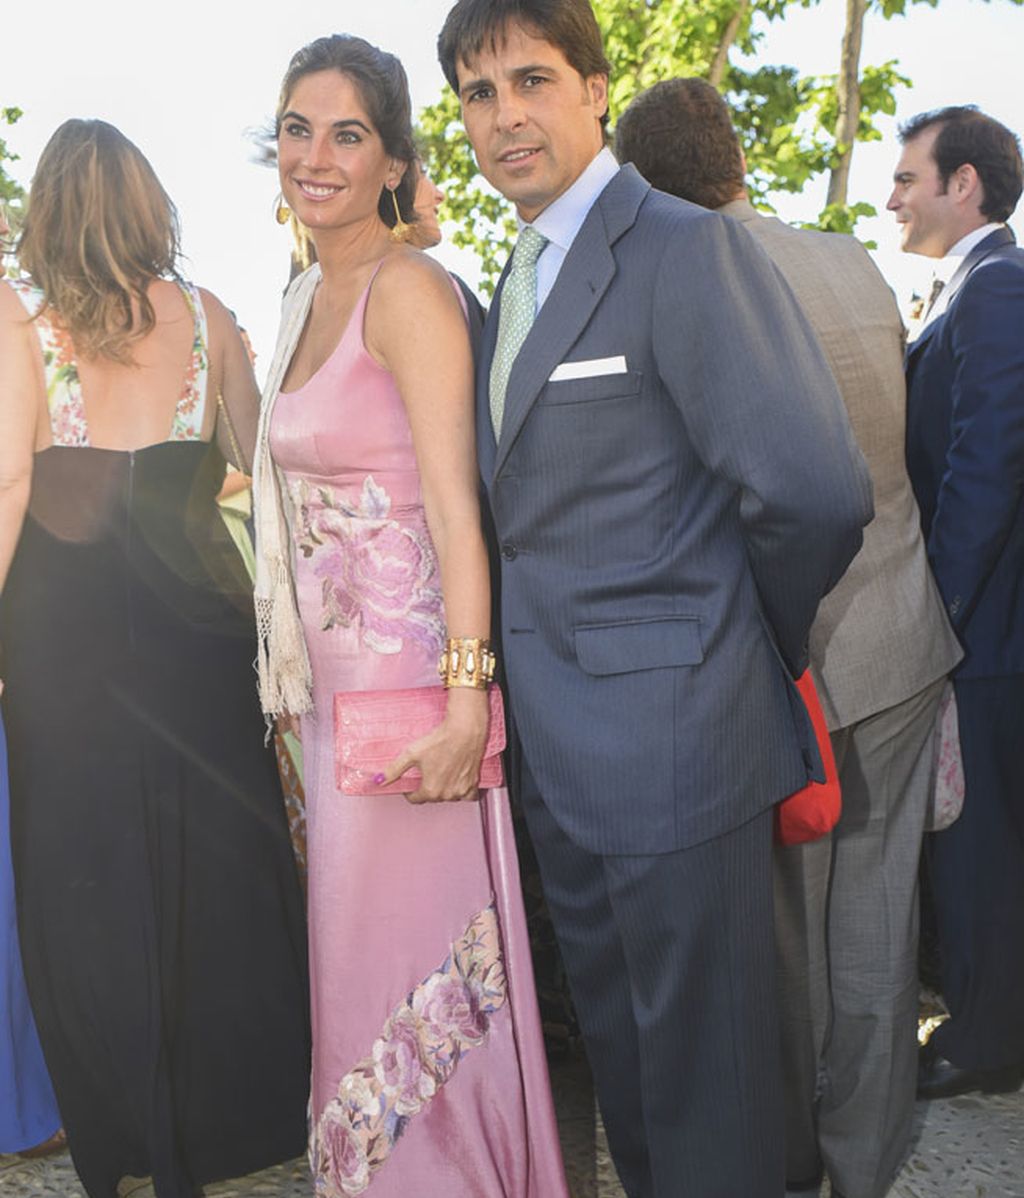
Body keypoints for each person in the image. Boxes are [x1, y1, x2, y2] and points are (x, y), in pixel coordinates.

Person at [437, 3, 874, 1195]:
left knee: (720, 1110)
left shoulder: (684, 247)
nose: (505, 114)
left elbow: (815, 492)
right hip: (562, 766)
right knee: (635, 1094)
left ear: (594, 85)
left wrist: (732, 646)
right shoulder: (514, 275)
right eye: (478, 94)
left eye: (531, 79)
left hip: (683, 750)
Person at [615, 76, 963, 1198]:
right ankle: (862, 1170)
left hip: (779, 657)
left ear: (635, 183)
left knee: (785, 945)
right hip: (903, 636)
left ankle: (792, 1167)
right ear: (734, 161)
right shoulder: (850, 261)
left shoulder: (668, 276)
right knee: (878, 933)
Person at [252, 34, 569, 1197]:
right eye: (296, 129)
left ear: (392, 161)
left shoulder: (411, 290)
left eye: (346, 134)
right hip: (332, 703)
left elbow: (457, 514)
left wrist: (465, 699)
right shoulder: (297, 297)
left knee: (418, 970)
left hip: (416, 701)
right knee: (353, 967)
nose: (315, 156)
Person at [0, 119, 310, 1198]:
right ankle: (227, 1120)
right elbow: (253, 470)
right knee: (211, 866)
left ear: (48, 210)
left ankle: (122, 1135)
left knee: (79, 878)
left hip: (61, 638)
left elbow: (7, 487)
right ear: (146, 205)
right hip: (197, 630)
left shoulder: (20, 322)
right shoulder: (211, 318)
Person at [888, 106, 1024, 1100]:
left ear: (962, 182)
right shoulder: (972, 290)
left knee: (980, 844)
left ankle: (983, 1039)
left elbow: (988, 462)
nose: (894, 195)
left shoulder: (997, 289)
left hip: (984, 632)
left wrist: (931, 612)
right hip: (981, 625)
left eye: (908, 177)